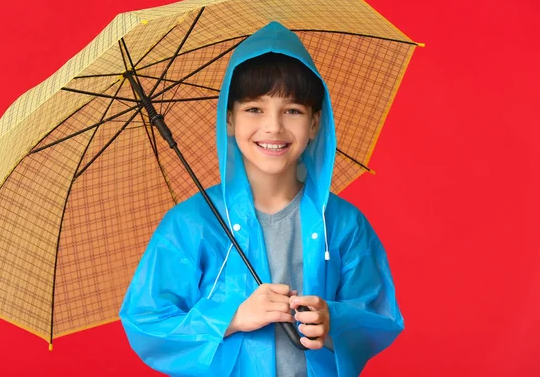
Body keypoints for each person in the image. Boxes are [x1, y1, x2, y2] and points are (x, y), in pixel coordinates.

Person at [119, 21, 404, 377]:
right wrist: (233, 318)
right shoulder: (192, 224)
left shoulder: (343, 223)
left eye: (293, 111)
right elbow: (147, 322)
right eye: (254, 109)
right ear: (229, 119)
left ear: (316, 123)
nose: (273, 126)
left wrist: (334, 321)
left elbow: (378, 314)